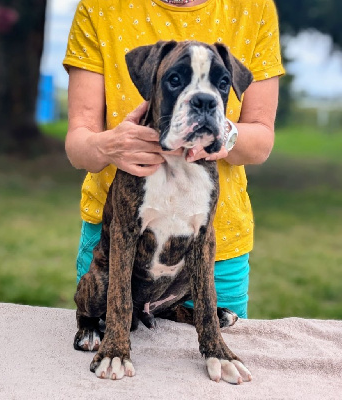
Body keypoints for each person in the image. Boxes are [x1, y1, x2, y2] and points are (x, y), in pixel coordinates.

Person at [63, 0, 284, 319]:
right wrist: (110, 145)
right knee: (96, 353)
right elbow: (77, 143)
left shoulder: (253, 8)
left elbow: (261, 141)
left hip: (212, 249)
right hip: (117, 248)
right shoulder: (101, 7)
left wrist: (220, 132)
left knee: (212, 358)